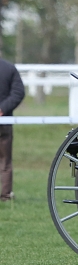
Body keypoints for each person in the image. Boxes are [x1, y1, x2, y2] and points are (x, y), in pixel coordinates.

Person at [0, 58, 24, 202]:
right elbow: (18, 93)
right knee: (5, 161)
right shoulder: (9, 68)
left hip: (4, 122)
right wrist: (2, 109)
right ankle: (6, 194)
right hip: (4, 122)